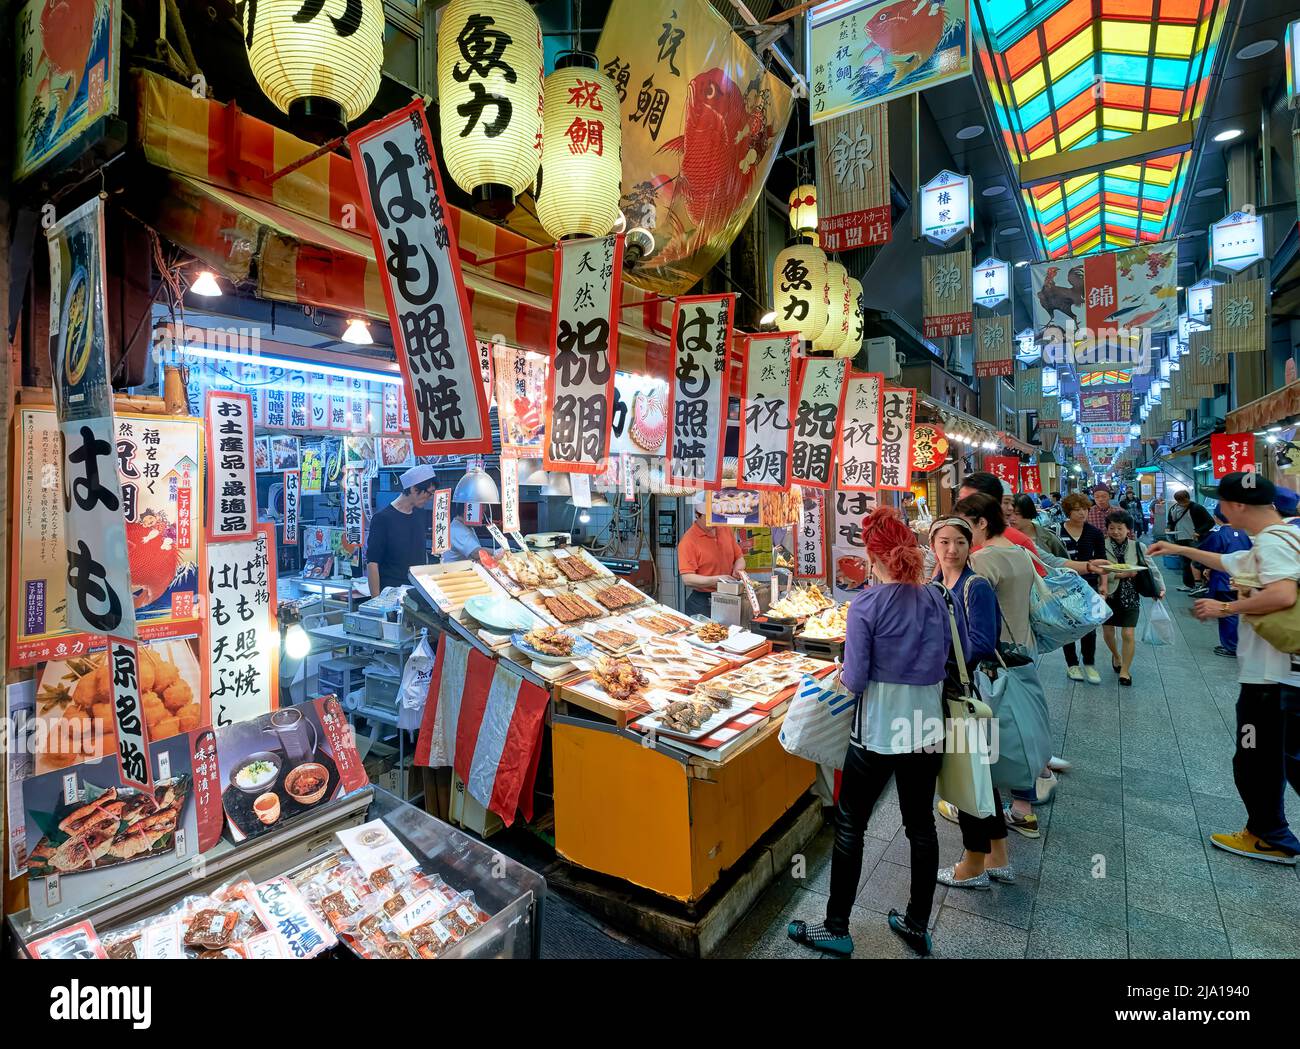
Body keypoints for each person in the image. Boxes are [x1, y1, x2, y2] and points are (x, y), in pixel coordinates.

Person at [787, 508, 957, 956]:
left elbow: (856, 680)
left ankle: (836, 928)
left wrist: (838, 674)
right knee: (920, 825)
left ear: (873, 557)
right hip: (926, 726)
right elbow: (942, 662)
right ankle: (917, 924)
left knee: (850, 825)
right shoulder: (936, 598)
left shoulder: (865, 604)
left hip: (878, 729)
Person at [1149, 472, 1300, 865]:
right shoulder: (1284, 536)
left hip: (1271, 678)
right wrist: (1180, 551)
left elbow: (1282, 593)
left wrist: (1226, 608)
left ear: (1236, 506)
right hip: (1283, 675)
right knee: (1277, 757)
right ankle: (1267, 830)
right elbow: (1230, 561)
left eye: (1223, 502)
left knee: (1255, 758)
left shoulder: (1271, 543)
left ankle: (1269, 836)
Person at [927, 517, 1014, 889]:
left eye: (960, 542)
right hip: (950, 691)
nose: (951, 550)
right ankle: (999, 857)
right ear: (933, 545)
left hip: (964, 694)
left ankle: (973, 863)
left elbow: (980, 642)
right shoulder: (936, 584)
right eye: (944, 542)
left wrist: (934, 652)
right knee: (979, 774)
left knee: (966, 777)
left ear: (970, 545)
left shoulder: (974, 586)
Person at [953, 493, 1046, 837]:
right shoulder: (1019, 551)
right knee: (1017, 725)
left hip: (994, 659)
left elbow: (971, 617)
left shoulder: (983, 561)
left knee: (996, 730)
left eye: (965, 526)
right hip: (1023, 650)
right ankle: (1024, 804)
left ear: (981, 523)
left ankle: (997, 803)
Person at [1099, 511, 1165, 686]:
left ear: (1128, 529)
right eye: (1111, 528)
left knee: (1128, 633)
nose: (1115, 532)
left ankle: (1125, 670)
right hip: (1108, 594)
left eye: (1120, 528)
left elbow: (1152, 569)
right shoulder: (1100, 545)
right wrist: (1119, 575)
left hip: (1130, 595)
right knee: (1107, 632)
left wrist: (1160, 588)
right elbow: (1098, 571)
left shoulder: (1138, 547)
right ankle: (1116, 655)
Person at [1058, 492, 1107, 684]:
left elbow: (1102, 561)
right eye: (1077, 510)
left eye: (1085, 509)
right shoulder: (1057, 531)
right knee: (1068, 625)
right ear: (1068, 512)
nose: (1082, 513)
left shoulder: (1094, 533)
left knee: (1090, 625)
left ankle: (1089, 663)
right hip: (1063, 585)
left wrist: (1103, 585)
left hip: (1089, 584)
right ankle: (1072, 664)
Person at [957, 472, 1047, 576]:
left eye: (968, 502)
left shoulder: (1018, 541)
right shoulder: (953, 534)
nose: (960, 507)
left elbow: (1036, 581)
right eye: (960, 500)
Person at [365, 465, 436, 595]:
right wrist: (375, 601)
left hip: (417, 590)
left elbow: (420, 552)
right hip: (391, 592)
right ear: (414, 489)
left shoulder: (420, 514)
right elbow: (372, 563)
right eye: (429, 493)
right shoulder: (382, 519)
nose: (430, 497)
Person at [678, 491, 746, 617]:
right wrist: (718, 580)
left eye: (716, 516)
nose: (714, 521)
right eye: (709, 517)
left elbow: (739, 557)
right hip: (703, 601)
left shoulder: (725, 529)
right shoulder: (688, 541)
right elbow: (687, 579)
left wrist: (738, 569)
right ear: (698, 515)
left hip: (729, 596)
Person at [1197, 509, 1252, 658]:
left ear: (1215, 518)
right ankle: (1240, 644)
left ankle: (1231, 646)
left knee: (1227, 612)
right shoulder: (1245, 533)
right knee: (1239, 611)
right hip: (1243, 579)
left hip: (1223, 580)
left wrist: (1206, 568)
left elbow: (1205, 554)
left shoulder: (1218, 535)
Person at [1166, 489, 1214, 591]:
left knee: (1196, 562)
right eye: (1179, 501)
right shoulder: (1173, 509)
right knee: (1185, 562)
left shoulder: (1197, 508)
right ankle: (1188, 584)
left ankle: (1200, 584)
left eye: (1183, 501)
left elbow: (1210, 522)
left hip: (1194, 539)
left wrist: (1199, 532)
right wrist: (1168, 528)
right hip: (1180, 538)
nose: (1181, 503)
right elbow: (1170, 521)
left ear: (1188, 498)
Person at [1009, 494, 1068, 559]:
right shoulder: (1003, 538)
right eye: (1009, 514)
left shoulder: (1049, 538)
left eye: (1017, 514)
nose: (1011, 518)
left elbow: (1064, 563)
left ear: (1028, 512)